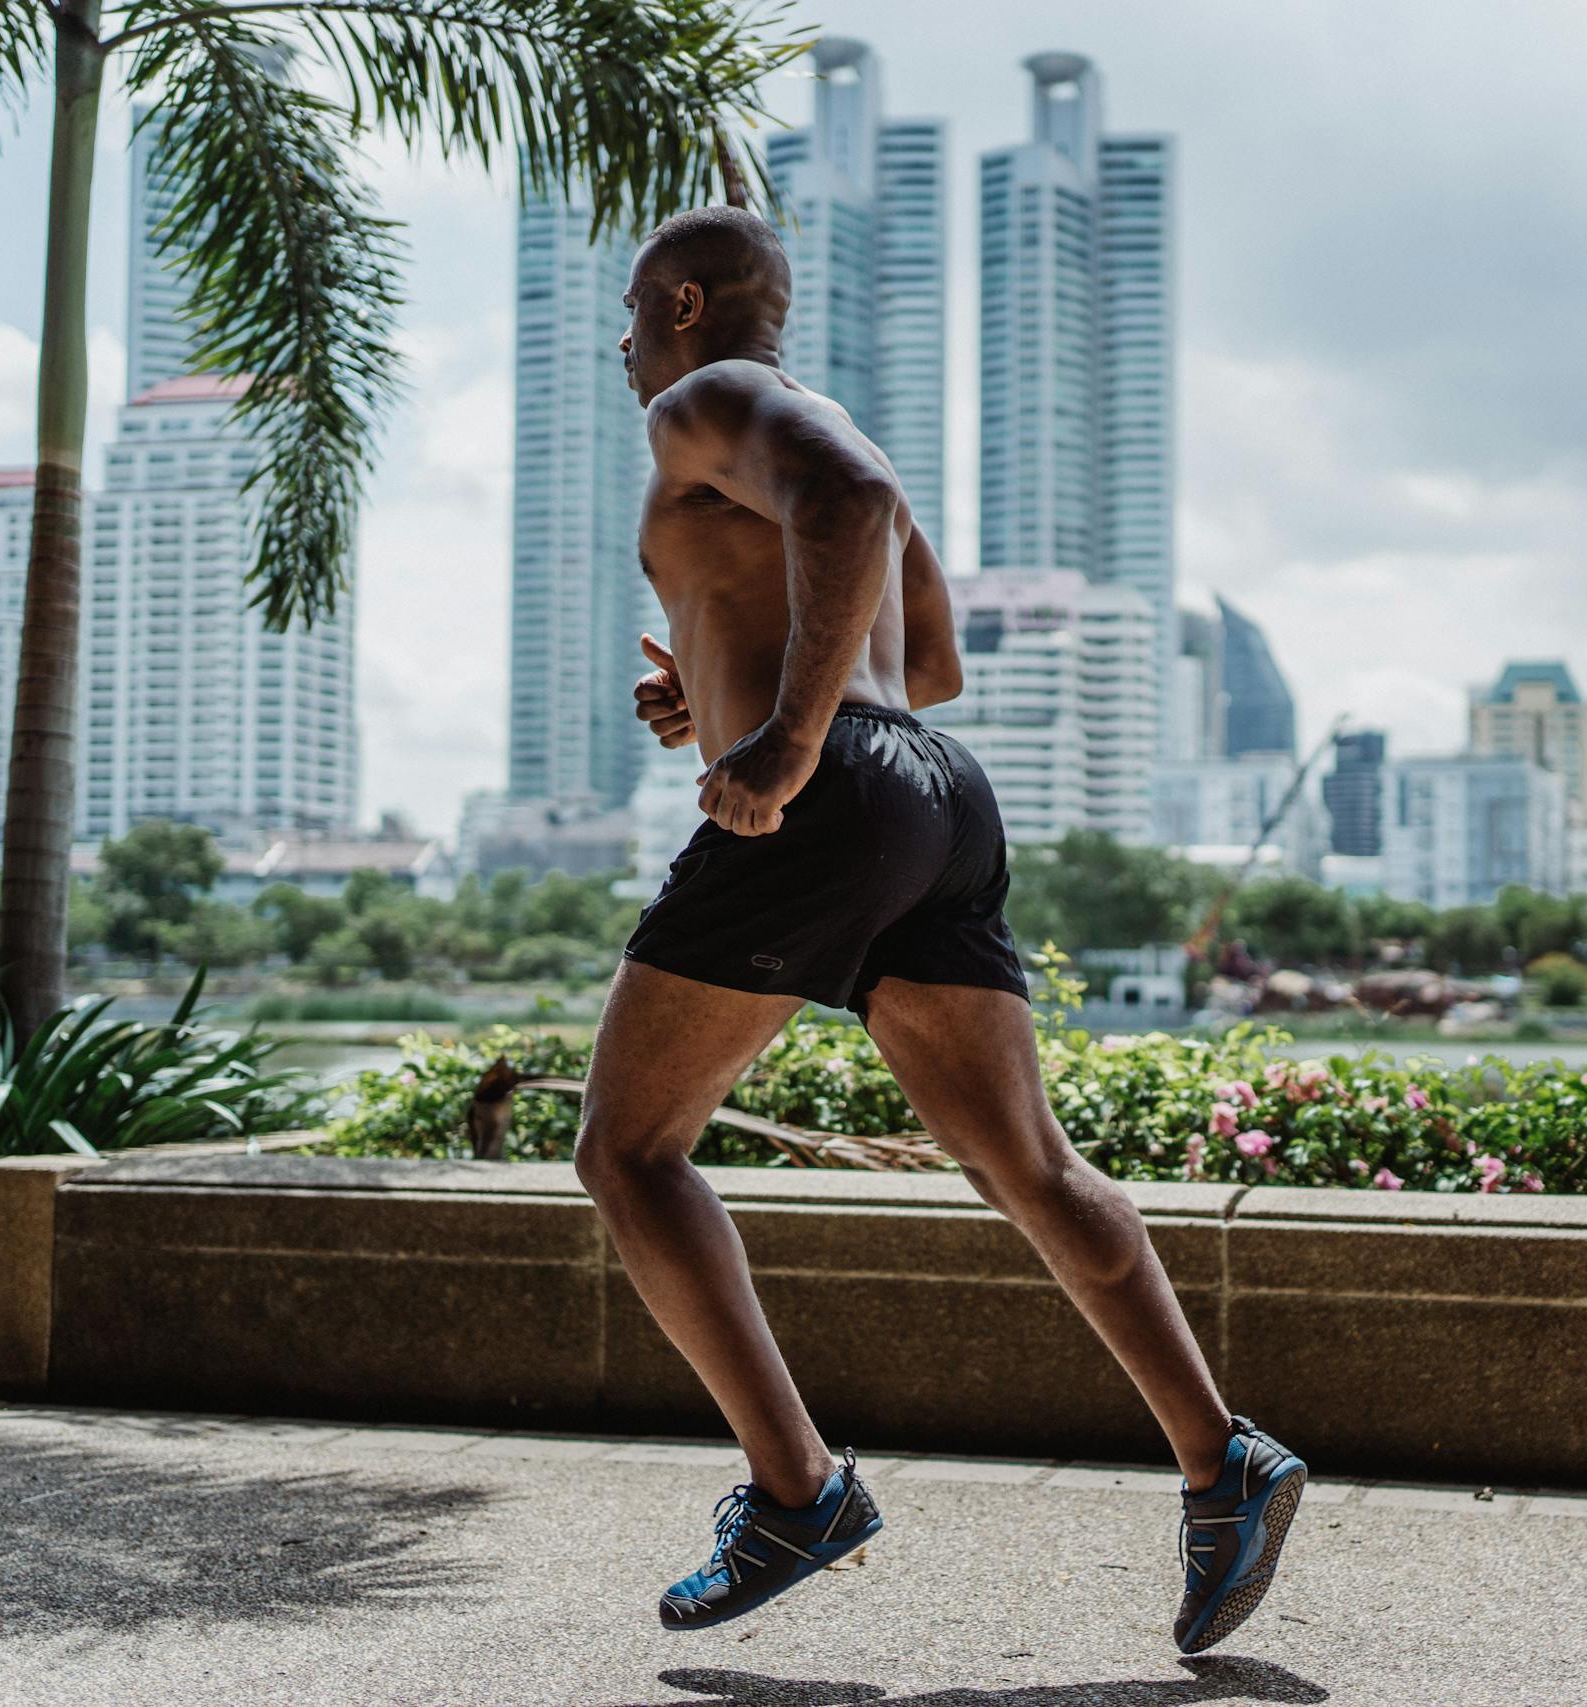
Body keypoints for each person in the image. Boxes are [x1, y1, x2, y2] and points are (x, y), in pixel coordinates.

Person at [570, 206, 1305, 1655]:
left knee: (627, 1148)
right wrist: (721, 698)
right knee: (1029, 1166)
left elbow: (836, 508)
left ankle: (796, 1493)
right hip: (936, 796)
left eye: (634, 314)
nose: (620, 344)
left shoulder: (701, 401)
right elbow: (940, 665)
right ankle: (1223, 1461)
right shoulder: (818, 418)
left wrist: (777, 737)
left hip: (835, 789)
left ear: (690, 305)